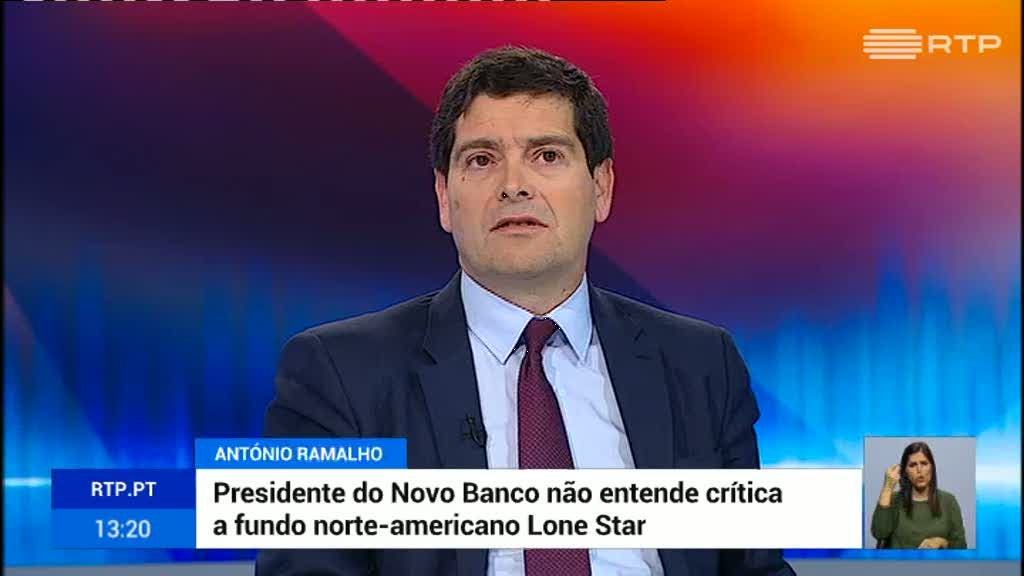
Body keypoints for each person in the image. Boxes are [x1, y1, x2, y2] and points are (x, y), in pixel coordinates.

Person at [257, 46, 795, 576]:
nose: (514, 186)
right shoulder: (338, 373)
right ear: (444, 197)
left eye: (547, 156)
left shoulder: (701, 363)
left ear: (601, 187)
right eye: (482, 160)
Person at [870, 441, 967, 549]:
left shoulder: (948, 501)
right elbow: (879, 533)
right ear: (905, 471)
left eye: (924, 463)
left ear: (932, 467)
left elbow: (961, 546)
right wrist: (888, 487)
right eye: (912, 465)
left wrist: (942, 542)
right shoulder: (893, 499)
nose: (919, 470)